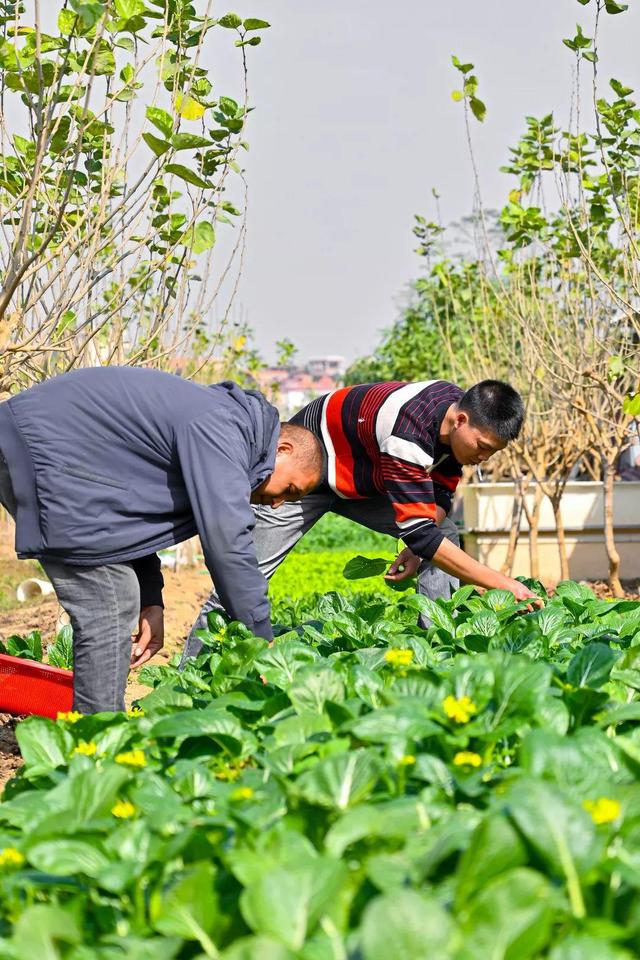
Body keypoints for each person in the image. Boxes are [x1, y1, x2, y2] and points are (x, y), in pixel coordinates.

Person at [0, 366, 322, 713]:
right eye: (290, 490)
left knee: (122, 595)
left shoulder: (225, 424)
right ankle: (96, 745)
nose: (278, 503)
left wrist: (151, 598)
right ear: (283, 449)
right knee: (110, 600)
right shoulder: (222, 430)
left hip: (49, 454)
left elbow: (129, 515)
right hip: (46, 452)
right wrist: (261, 641)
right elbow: (227, 540)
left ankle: (96, 734)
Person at [185, 378, 540, 659]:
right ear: (460, 420)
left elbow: (441, 492)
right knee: (244, 573)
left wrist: (422, 545)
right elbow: (419, 533)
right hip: (308, 472)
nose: (484, 457)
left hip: (361, 478)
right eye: (482, 447)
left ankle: (437, 647)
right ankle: (191, 673)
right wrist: (499, 582)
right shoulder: (410, 431)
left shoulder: (456, 422)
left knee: (441, 532)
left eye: (492, 452)